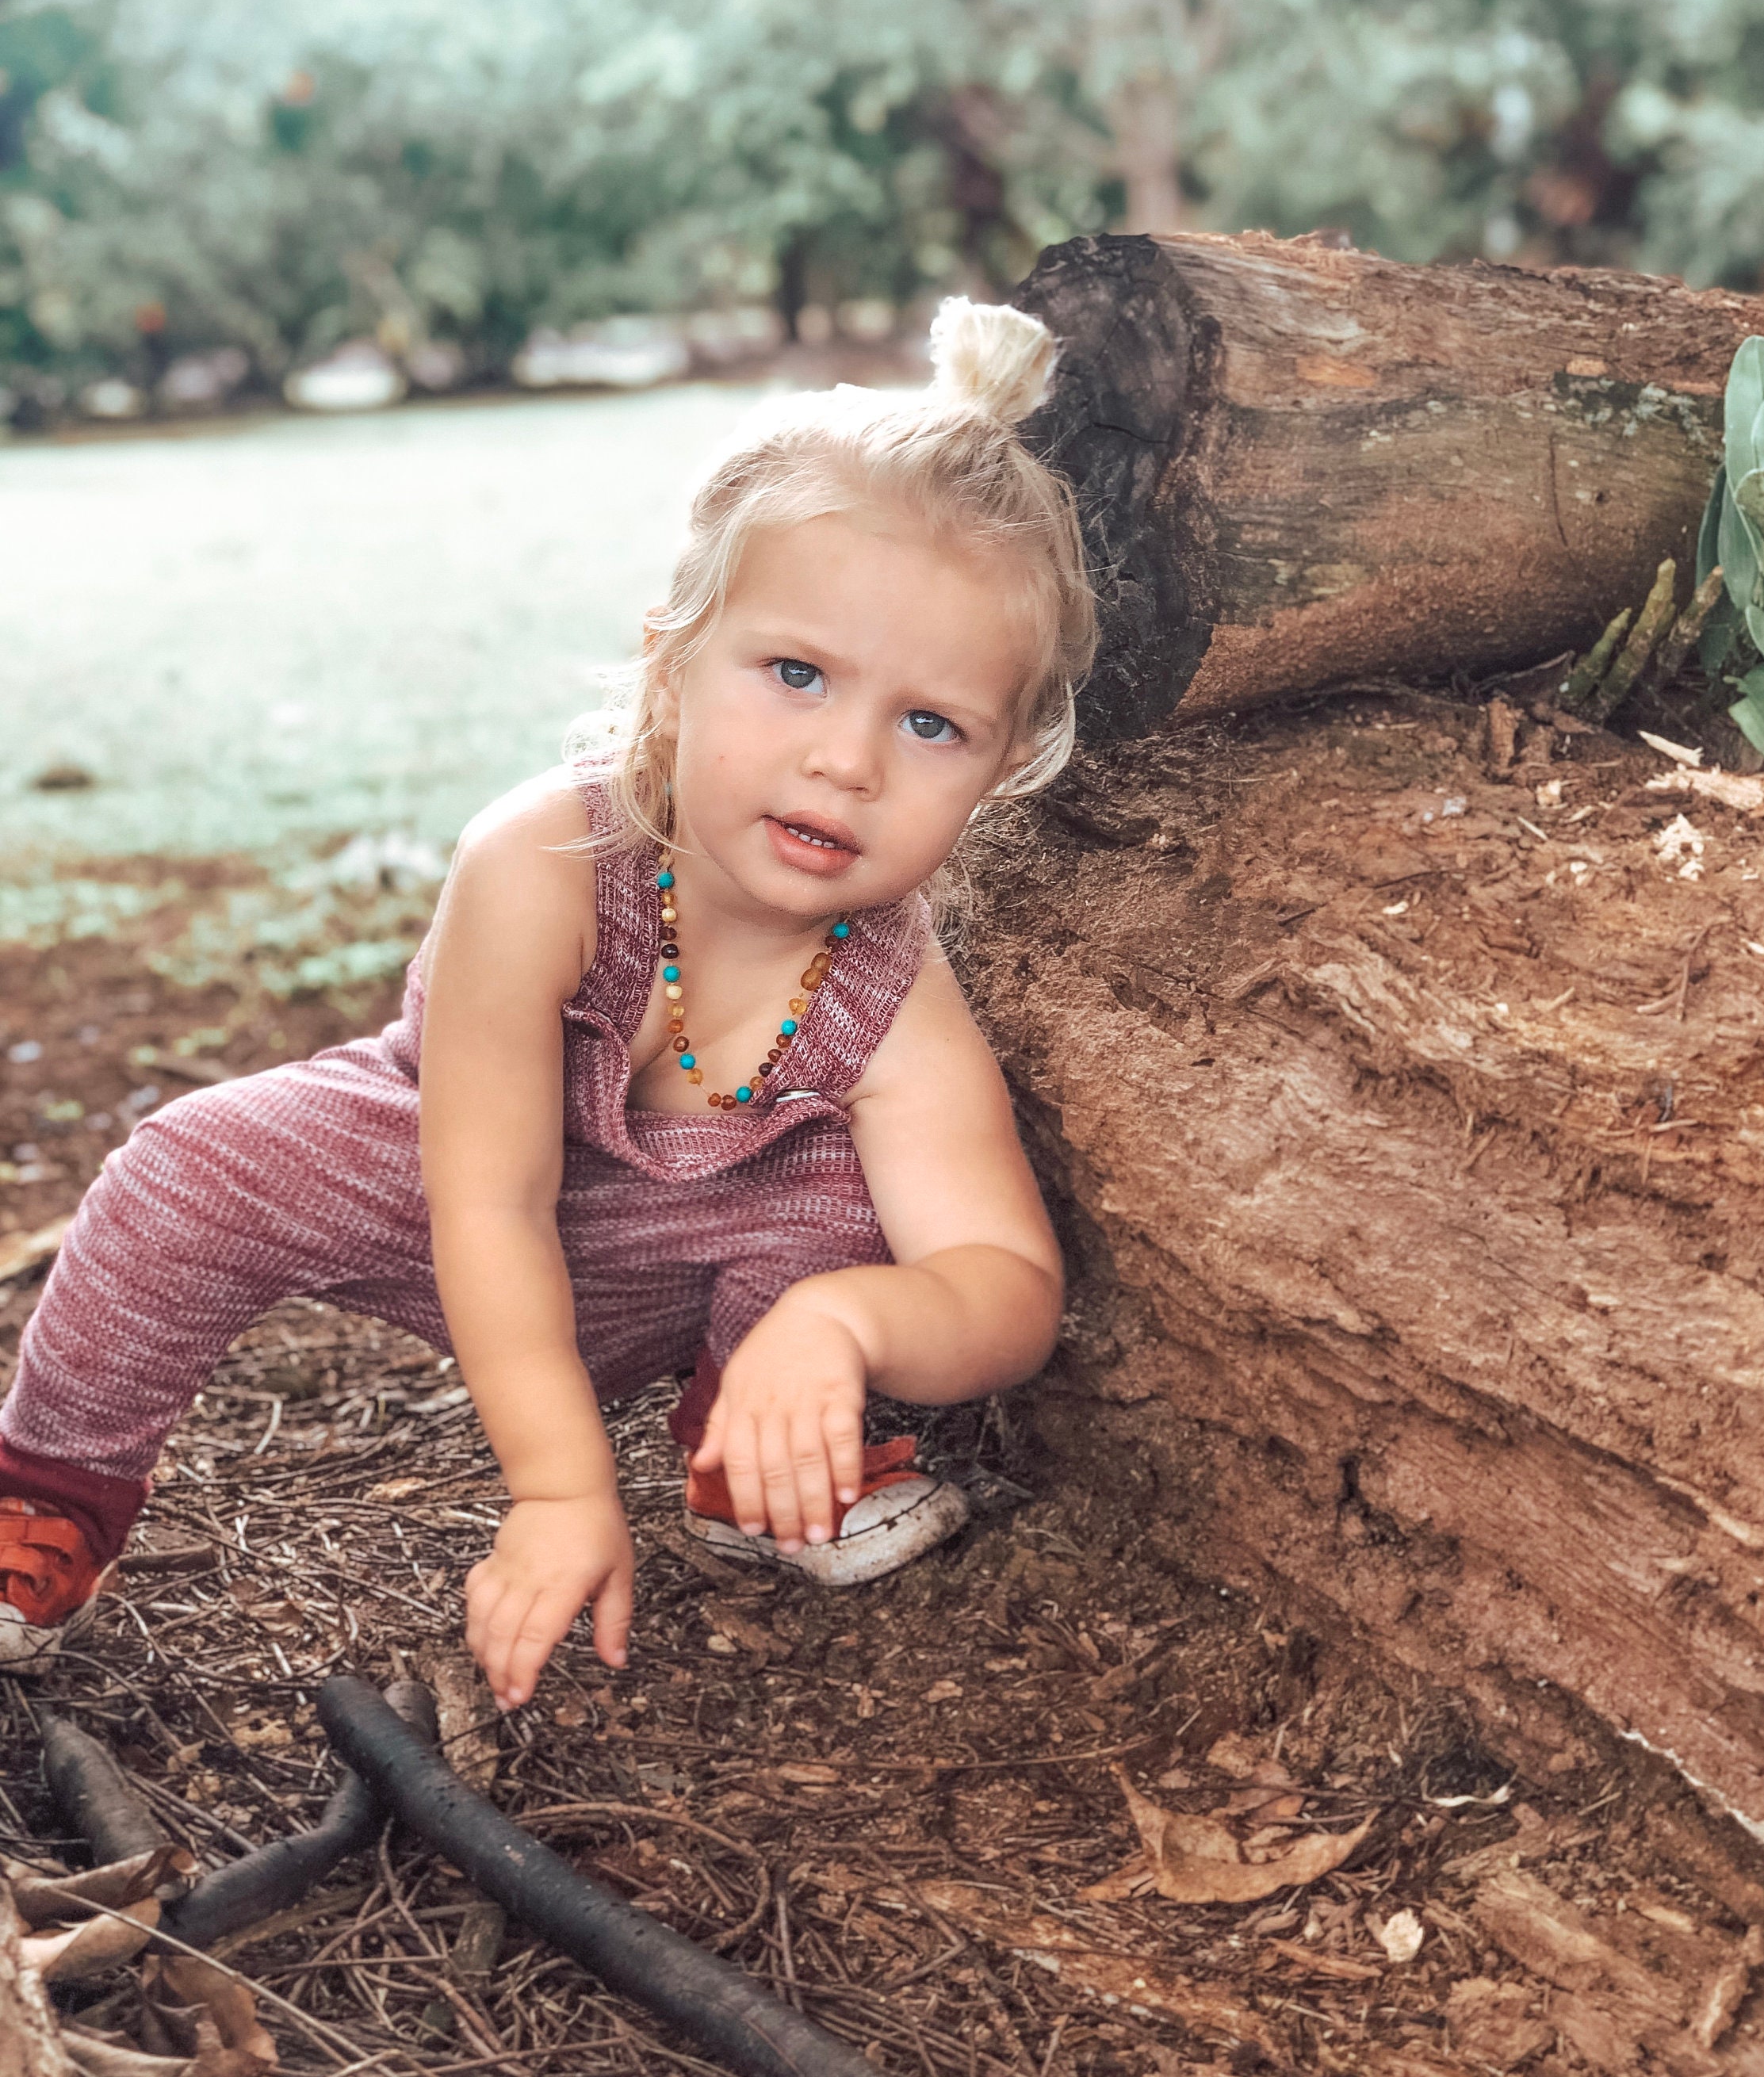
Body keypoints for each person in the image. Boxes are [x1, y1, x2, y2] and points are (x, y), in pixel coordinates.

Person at [0, 298, 1097, 1711]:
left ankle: (752, 1458)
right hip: (439, 1181)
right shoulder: (543, 861)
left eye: (930, 723)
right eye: (798, 675)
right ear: (671, 665)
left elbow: (1007, 1289)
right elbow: (490, 1206)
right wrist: (562, 1489)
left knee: (850, 1187)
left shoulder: (891, 996)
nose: (846, 762)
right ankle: (49, 1487)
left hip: (683, 1265)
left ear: (1002, 769)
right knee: (190, 1168)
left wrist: (843, 1325)